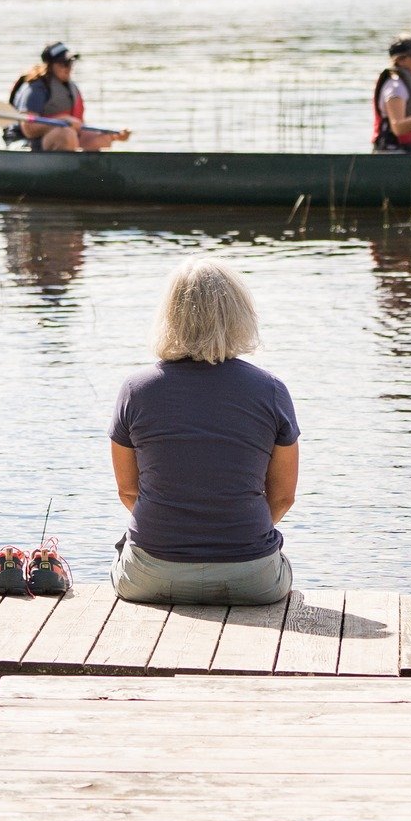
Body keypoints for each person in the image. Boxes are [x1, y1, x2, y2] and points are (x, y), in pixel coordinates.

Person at [108, 257, 299, 605]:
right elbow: (283, 497)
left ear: (169, 316)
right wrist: (234, 537)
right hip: (252, 578)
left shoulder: (136, 389)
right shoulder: (270, 389)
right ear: (240, 316)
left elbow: (128, 491)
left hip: (151, 574)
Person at [12, 43, 127, 152]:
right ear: (50, 66)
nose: (68, 68)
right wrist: (61, 120)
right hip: (33, 143)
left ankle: (90, 169)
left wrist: (114, 136)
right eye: (63, 63)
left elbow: (78, 124)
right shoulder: (36, 89)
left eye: (70, 63)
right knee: (66, 134)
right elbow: (28, 128)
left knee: (101, 138)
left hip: (66, 136)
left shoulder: (71, 87)